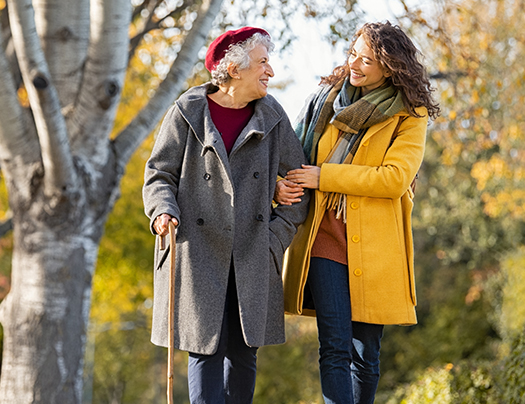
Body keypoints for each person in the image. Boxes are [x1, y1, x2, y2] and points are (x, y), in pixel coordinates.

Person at [275, 21, 440, 404]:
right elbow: (294, 157)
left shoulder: (409, 115)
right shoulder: (326, 99)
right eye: (353, 54)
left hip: (376, 246)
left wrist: (326, 177)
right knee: (335, 345)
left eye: (367, 60)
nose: (355, 64)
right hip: (323, 237)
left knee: (366, 354)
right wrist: (282, 183)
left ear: (390, 67)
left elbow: (395, 179)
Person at [142, 27, 309, 404]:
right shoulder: (188, 111)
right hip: (197, 251)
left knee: (244, 353)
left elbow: (299, 186)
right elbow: (159, 174)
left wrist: (275, 238)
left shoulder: (273, 116)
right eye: (263, 62)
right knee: (205, 350)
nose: (270, 70)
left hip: (252, 252)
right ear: (234, 68)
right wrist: (162, 211)